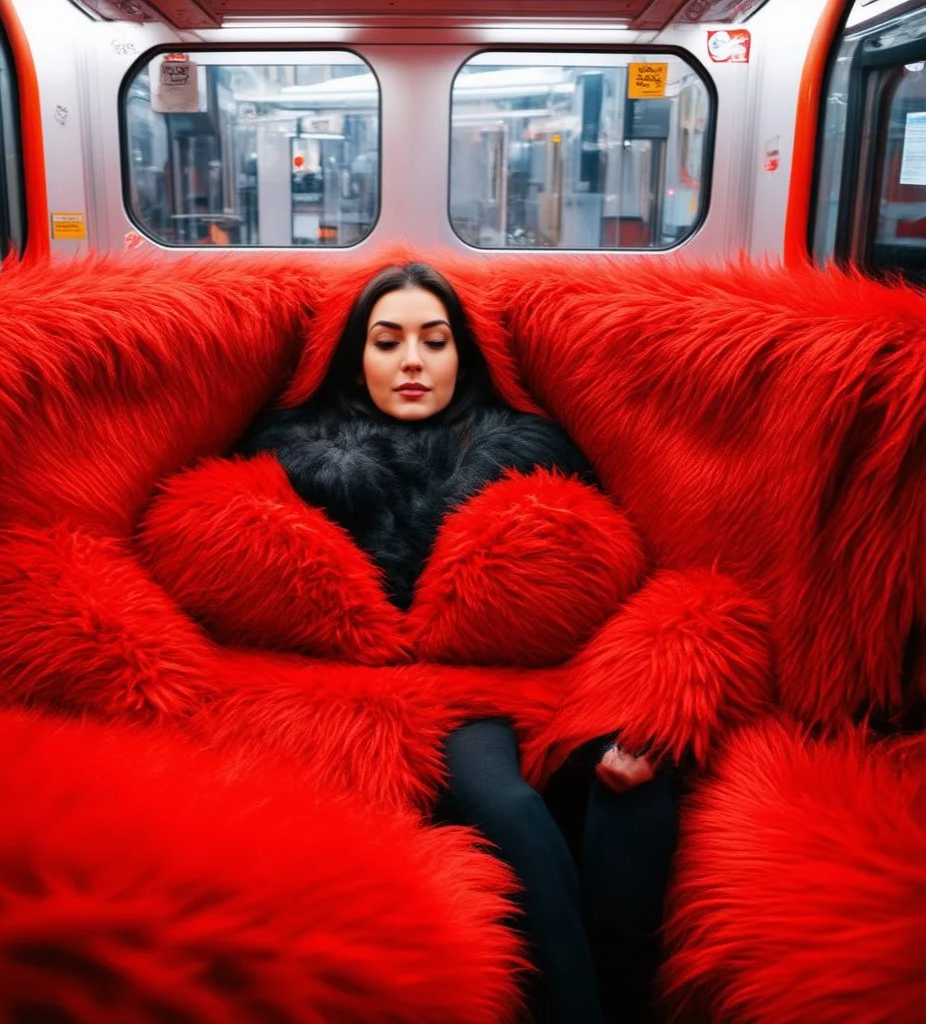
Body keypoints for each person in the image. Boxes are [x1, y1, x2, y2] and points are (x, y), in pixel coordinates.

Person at [239, 262, 677, 1023]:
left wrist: (636, 705)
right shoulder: (297, 459)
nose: (412, 361)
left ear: (464, 357)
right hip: (390, 692)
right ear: (356, 360)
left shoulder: (527, 450)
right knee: (505, 804)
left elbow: (610, 580)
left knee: (635, 794)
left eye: (434, 341)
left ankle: (623, 1000)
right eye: (388, 342)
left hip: (526, 678)